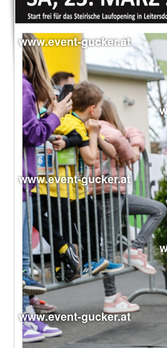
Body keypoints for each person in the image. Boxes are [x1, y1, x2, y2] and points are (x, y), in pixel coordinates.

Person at [89, 99, 167, 313]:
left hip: (118, 193)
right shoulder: (103, 128)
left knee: (158, 209)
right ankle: (110, 298)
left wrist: (134, 146)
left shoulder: (111, 130)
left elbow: (134, 131)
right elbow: (118, 140)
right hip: (107, 193)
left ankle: (134, 249)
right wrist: (131, 151)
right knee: (109, 247)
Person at [33, 81, 116, 281]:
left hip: (72, 188)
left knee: (82, 223)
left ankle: (83, 263)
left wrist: (95, 135)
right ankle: (81, 264)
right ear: (93, 108)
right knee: (68, 227)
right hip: (58, 187)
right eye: (101, 106)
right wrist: (91, 135)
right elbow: (90, 158)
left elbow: (112, 151)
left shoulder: (81, 124)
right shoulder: (71, 122)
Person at [22, 32, 68, 341]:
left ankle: (26, 315)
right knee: (20, 260)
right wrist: (56, 116)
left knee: (22, 259)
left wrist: (47, 118)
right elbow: (31, 133)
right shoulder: (22, 85)